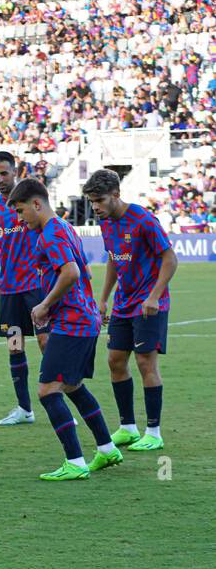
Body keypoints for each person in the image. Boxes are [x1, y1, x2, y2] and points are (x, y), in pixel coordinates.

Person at [8, 179, 122, 480]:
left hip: (72, 321)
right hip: (83, 318)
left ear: (36, 204)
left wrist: (45, 304)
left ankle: (75, 462)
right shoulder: (65, 227)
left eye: (21, 212)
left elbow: (70, 272)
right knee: (72, 386)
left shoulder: (50, 234)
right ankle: (107, 448)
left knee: (47, 391)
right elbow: (82, 271)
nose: (20, 220)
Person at [83, 169, 178, 452]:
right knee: (115, 361)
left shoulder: (143, 220)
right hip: (124, 304)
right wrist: (103, 299)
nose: (95, 207)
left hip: (149, 304)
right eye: (91, 202)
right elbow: (114, 259)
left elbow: (170, 258)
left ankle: (154, 432)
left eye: (99, 200)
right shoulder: (106, 222)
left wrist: (154, 296)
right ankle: (127, 428)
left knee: (146, 363)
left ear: (116, 194)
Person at [0, 152, 47, 426]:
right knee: (15, 346)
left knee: (47, 343)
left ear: (15, 171)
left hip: (37, 286)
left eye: (4, 173)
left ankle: (63, 401)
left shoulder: (32, 203)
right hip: (9, 290)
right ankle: (24, 409)